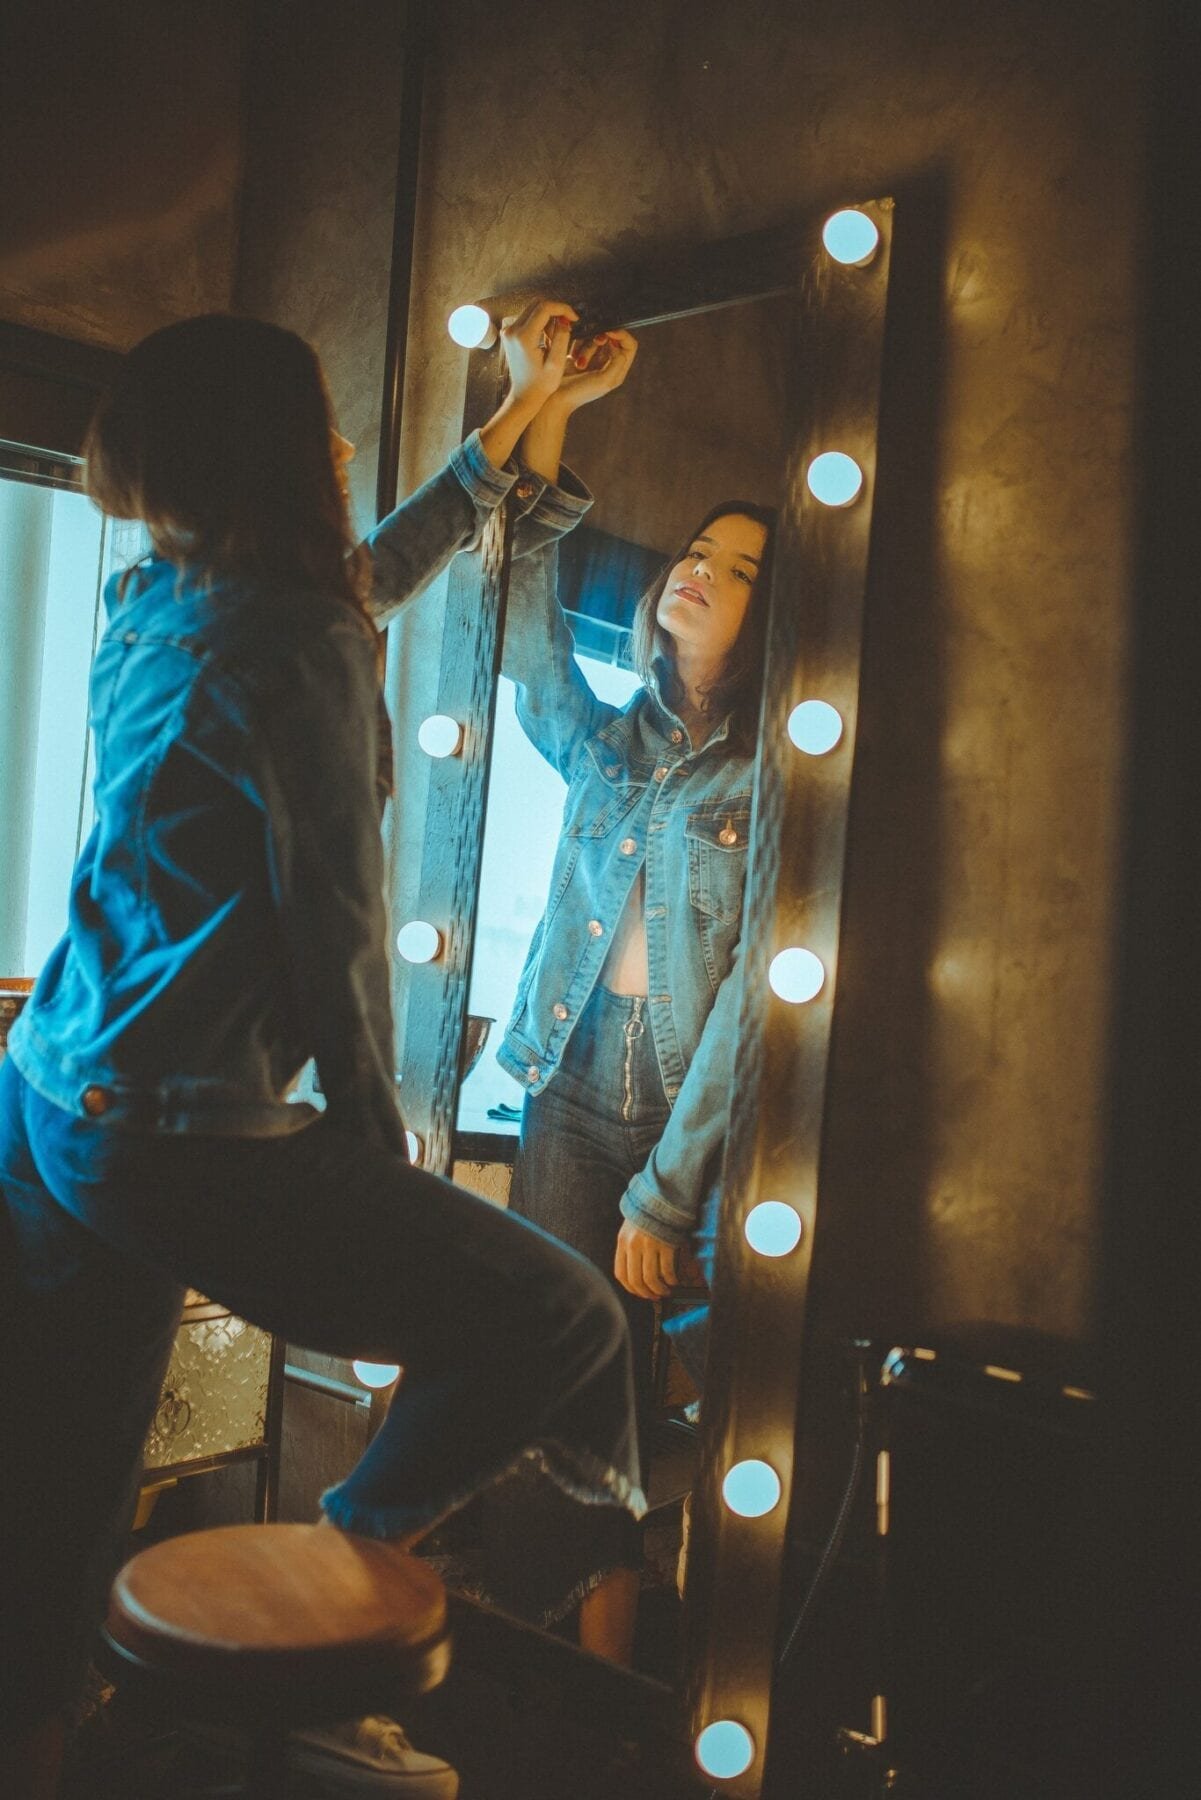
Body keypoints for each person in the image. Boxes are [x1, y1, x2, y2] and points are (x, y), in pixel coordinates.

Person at [0, 305, 644, 1800]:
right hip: (170, 1125)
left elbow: (361, 577)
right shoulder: (291, 636)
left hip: (42, 1098)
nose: (349, 444)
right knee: (563, 1322)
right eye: (328, 429)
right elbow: (338, 922)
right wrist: (372, 1132)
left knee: (56, 1487)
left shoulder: (161, 592)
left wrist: (523, 409)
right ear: (277, 453)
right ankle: (349, 1548)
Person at [465, 323, 776, 1664]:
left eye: (740, 568)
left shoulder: (770, 776)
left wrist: (669, 1188)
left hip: (691, 1132)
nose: (698, 572)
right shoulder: (607, 741)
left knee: (680, 1404)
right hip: (568, 1091)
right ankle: (575, 1661)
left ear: (781, 615)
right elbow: (517, 620)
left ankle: (637, 1662)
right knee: (560, 1378)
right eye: (695, 553)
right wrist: (549, 420)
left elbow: (753, 1003)